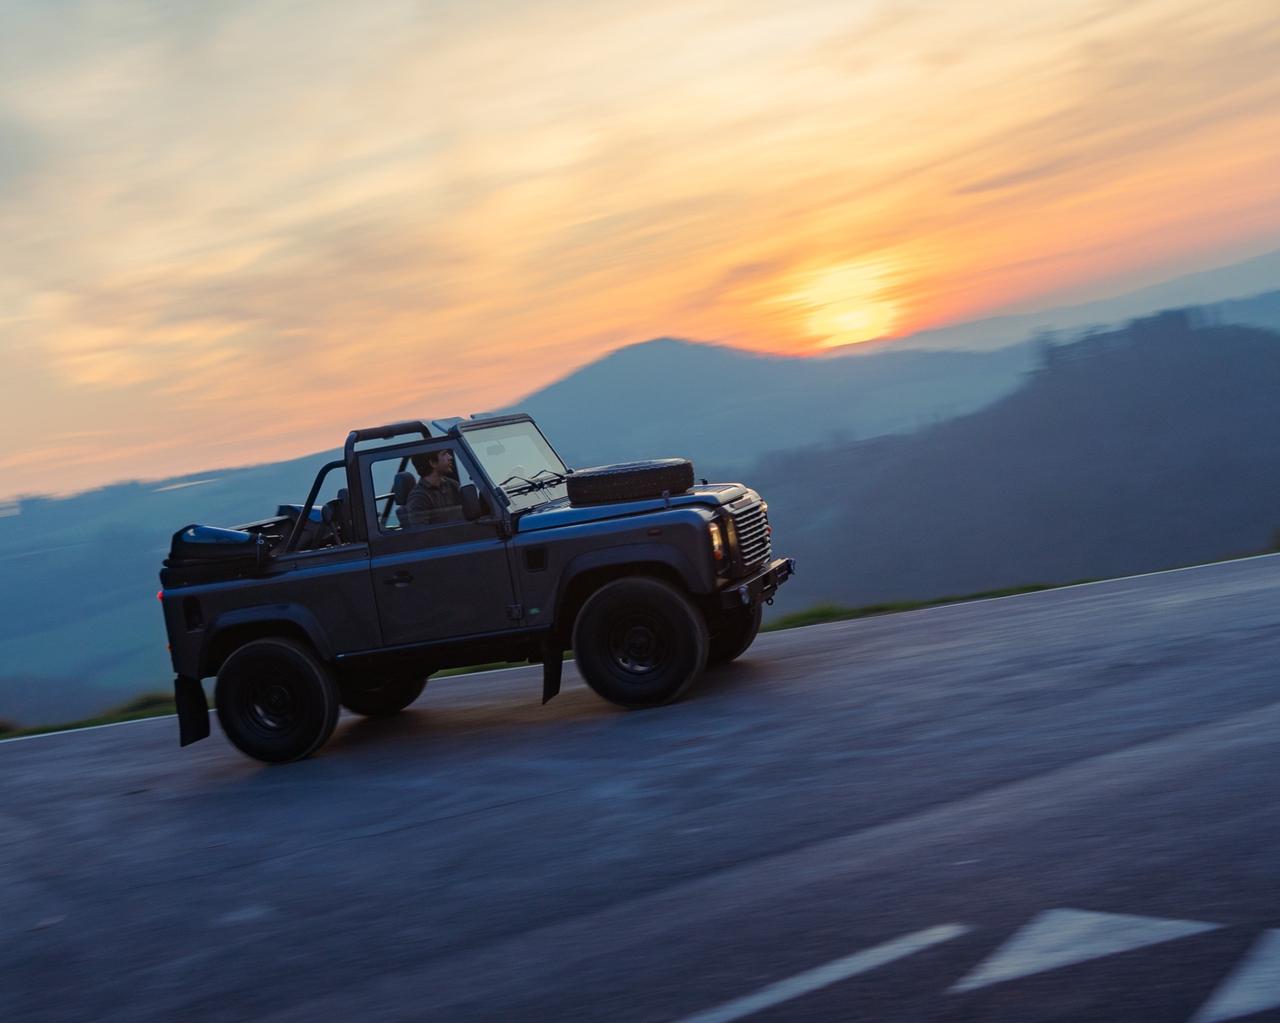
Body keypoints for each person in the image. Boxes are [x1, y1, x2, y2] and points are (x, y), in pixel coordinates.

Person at [406, 449, 462, 526]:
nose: (450, 457)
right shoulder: (419, 497)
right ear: (433, 463)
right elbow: (422, 533)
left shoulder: (452, 484)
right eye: (444, 454)